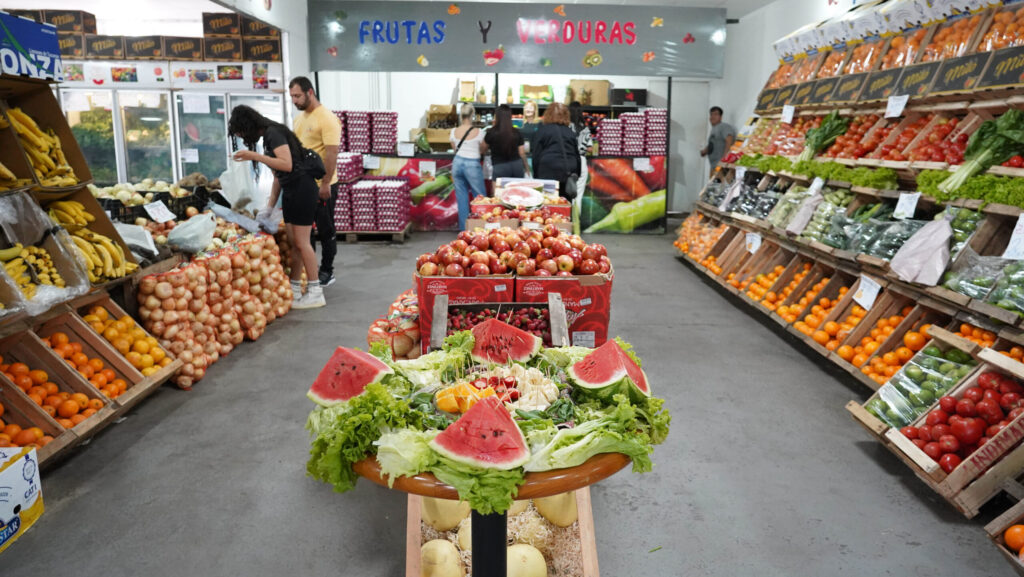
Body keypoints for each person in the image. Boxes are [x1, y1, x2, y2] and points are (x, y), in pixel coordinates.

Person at [229, 105, 325, 309]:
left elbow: (286, 164)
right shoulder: (268, 137)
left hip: (302, 190)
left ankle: (316, 292)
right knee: (293, 243)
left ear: (248, 125)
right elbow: (278, 177)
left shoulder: (274, 133)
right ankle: (295, 288)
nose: (243, 138)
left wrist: (254, 156)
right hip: (291, 191)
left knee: (302, 243)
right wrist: (270, 207)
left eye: (242, 132)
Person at [289, 76, 341, 288]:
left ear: (310, 92)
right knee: (305, 231)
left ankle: (327, 270)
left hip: (323, 185)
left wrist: (326, 183)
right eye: (292, 96)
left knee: (325, 229)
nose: (294, 100)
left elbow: (332, 153)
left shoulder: (327, 118)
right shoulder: (299, 119)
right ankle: (309, 271)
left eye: (297, 96)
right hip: (304, 186)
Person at [530, 103, 580, 200]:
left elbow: (536, 154)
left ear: (547, 115)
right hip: (568, 170)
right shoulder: (570, 132)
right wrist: (576, 173)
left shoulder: (542, 131)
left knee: (548, 200)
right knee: (565, 201)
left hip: (548, 169)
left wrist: (536, 175)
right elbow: (576, 155)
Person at [449, 103, 486, 230]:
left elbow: (455, 149)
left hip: (457, 163)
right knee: (480, 198)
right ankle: (481, 228)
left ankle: (464, 230)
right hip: (472, 164)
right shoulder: (479, 132)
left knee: (462, 198)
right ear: (472, 115)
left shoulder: (453, 131)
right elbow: (482, 149)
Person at [481, 104, 529, 179]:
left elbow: (482, 149)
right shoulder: (516, 132)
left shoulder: (492, 132)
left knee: (498, 186)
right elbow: (522, 153)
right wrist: (527, 168)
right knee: (516, 186)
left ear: (497, 117)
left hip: (499, 166)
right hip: (517, 166)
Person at [700, 106, 736, 173]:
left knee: (718, 180)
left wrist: (725, 159)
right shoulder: (714, 128)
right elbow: (713, 143)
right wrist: (705, 151)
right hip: (714, 166)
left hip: (721, 166)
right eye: (711, 114)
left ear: (721, 117)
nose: (713, 116)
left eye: (715, 114)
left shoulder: (723, 126)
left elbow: (729, 140)